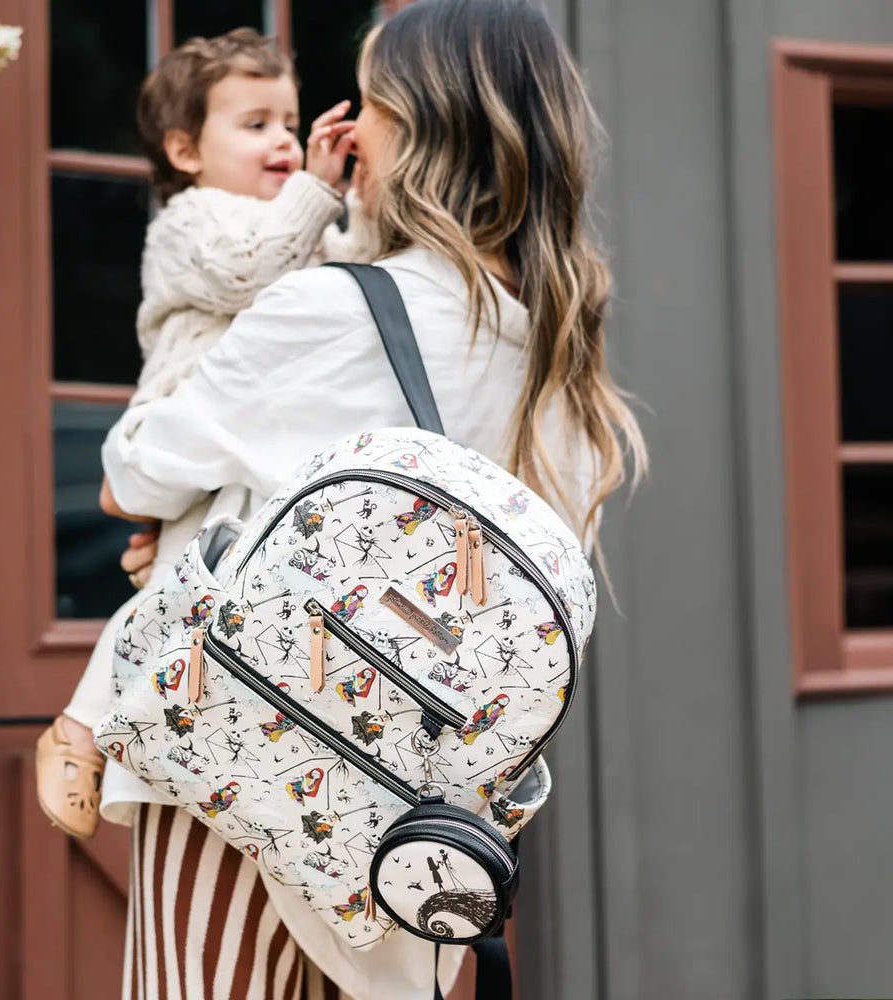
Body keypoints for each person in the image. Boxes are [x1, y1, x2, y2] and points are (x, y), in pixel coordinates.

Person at [100, 1, 646, 998]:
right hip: (422, 840)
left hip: (244, 786)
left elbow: (131, 470)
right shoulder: (564, 365)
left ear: (417, 134)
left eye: (374, 104)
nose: (355, 132)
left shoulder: (332, 309)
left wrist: (183, 522)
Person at [35, 28, 378, 845]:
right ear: (186, 151)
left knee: (206, 592)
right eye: (255, 124)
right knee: (180, 592)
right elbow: (245, 271)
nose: (283, 141)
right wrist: (316, 194)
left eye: (289, 122)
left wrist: (359, 196)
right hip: (185, 431)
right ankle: (84, 728)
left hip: (246, 450)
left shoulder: (303, 221)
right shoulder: (191, 221)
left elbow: (361, 273)